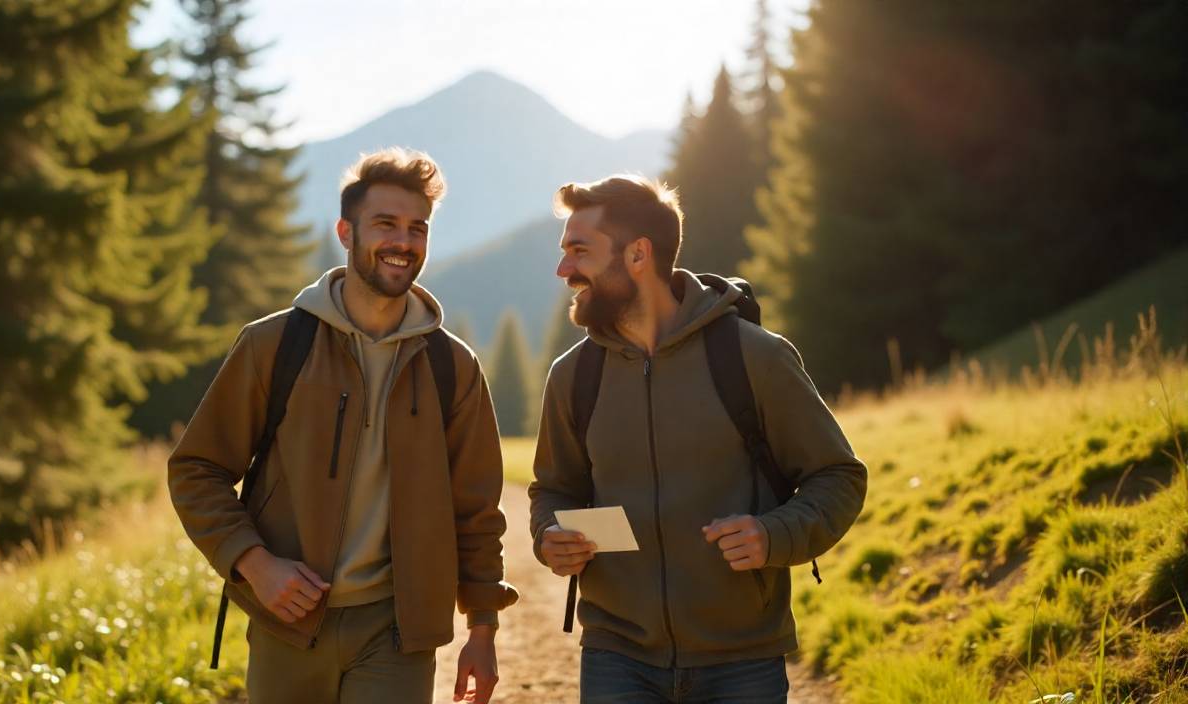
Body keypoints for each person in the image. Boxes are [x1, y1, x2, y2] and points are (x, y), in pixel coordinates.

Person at [168, 148, 518, 704]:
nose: (403, 242)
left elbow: (475, 509)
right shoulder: (275, 345)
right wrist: (255, 566)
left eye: (417, 228)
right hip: (289, 622)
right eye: (385, 224)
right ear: (346, 232)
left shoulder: (453, 367)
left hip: (397, 634)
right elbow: (196, 470)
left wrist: (482, 628)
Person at [528, 175, 867, 703]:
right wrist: (550, 534)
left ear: (638, 255)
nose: (563, 269)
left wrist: (774, 534)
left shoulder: (755, 357)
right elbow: (552, 489)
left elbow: (839, 476)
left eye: (579, 251)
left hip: (742, 660)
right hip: (616, 657)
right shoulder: (574, 377)